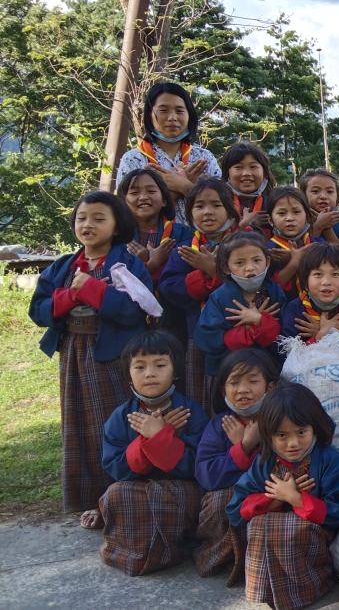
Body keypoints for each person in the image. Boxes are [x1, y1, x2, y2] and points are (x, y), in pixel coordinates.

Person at [29, 192, 152, 528]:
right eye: (82, 218)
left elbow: (137, 310)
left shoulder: (127, 265)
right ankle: (90, 499)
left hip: (114, 355)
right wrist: (69, 296)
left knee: (112, 425)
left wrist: (94, 291)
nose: (88, 225)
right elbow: (38, 309)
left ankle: (118, 498)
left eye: (99, 218)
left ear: (117, 226)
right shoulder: (63, 266)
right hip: (74, 352)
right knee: (79, 425)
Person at [226, 383, 339, 608]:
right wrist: (276, 498)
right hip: (271, 534)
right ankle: (265, 590)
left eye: (301, 432)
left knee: (288, 529)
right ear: (268, 435)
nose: (293, 443)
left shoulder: (330, 461)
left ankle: (307, 587)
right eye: (282, 435)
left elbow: (337, 514)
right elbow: (236, 510)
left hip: (312, 540)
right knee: (260, 525)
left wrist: (297, 499)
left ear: (314, 427)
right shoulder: (264, 462)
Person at [98, 331, 207, 575]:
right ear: (128, 373)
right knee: (115, 494)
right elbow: (116, 469)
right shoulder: (121, 417)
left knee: (184, 498)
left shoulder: (191, 412)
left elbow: (198, 465)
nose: (150, 374)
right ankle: (144, 552)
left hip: (180, 487)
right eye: (140, 367)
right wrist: (148, 439)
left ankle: (168, 550)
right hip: (135, 488)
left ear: (175, 370)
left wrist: (160, 438)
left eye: (160, 365)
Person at [193, 348, 277, 580]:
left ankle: (259, 562)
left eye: (252, 381)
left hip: (270, 492)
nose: (242, 390)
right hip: (226, 494)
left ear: (270, 387)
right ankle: (222, 559)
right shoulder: (219, 424)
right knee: (222, 500)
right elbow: (206, 475)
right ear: (223, 390)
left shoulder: (280, 420)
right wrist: (244, 447)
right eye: (234, 382)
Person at [157, 179, 241, 409]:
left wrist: (215, 271)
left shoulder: (246, 243)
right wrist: (204, 276)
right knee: (202, 394)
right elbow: (168, 286)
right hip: (198, 333)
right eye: (199, 206)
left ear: (230, 209)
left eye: (216, 205)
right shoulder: (185, 248)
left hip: (240, 332)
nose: (207, 212)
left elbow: (259, 282)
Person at [115, 82, 220, 225]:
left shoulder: (204, 158)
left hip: (199, 238)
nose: (172, 117)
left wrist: (185, 186)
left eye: (180, 111)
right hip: (149, 237)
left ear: (189, 115)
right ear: (150, 115)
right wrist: (175, 191)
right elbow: (125, 211)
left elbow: (223, 205)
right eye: (163, 110)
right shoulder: (133, 159)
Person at [193, 232, 286, 378]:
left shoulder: (274, 292)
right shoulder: (220, 297)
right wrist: (246, 333)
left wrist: (260, 321)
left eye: (257, 260)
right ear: (226, 267)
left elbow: (284, 334)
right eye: (240, 263)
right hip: (228, 369)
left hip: (267, 366)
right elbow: (206, 337)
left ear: (267, 262)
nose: (250, 268)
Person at [280, 243, 339, 344]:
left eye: (335, 274)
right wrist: (320, 336)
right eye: (318, 274)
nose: (326, 282)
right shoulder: (294, 309)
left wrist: (330, 334)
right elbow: (286, 352)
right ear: (305, 279)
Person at [117, 168, 194, 281]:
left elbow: (182, 280)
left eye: (151, 191)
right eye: (134, 193)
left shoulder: (183, 234)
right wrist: (150, 265)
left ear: (164, 200)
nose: (143, 197)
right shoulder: (117, 237)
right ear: (123, 202)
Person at [265, 187, 318, 296]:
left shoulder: (317, 244)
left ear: (307, 216)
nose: (289, 218)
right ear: (270, 219)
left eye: (296, 212)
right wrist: (294, 263)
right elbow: (271, 288)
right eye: (281, 213)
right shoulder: (269, 250)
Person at [219, 142, 276, 232]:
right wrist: (245, 224)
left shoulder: (275, 202)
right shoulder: (219, 202)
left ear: (264, 171)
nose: (246, 173)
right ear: (227, 173)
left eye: (253, 167)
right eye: (238, 167)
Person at [299, 169, 339, 242]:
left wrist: (327, 228)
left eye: (329, 191)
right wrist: (318, 226)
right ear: (303, 195)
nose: (323, 196)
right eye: (315, 191)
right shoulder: (297, 221)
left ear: (337, 197)